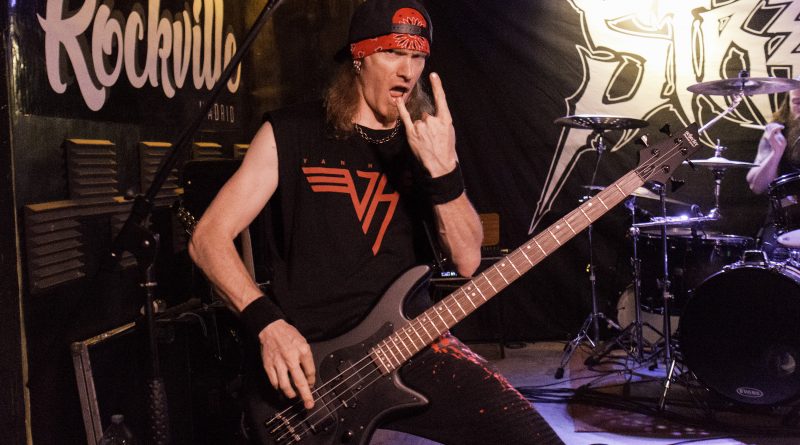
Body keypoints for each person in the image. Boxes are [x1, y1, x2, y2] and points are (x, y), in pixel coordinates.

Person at [189, 1, 563, 444]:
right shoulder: (290, 132)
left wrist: (444, 172)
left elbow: (466, 261)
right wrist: (267, 324)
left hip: (412, 345)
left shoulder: (425, 142)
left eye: (418, 57)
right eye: (393, 53)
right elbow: (208, 238)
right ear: (359, 57)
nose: (408, 71)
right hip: (315, 360)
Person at [746, 83, 800, 257]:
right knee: (773, 253)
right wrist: (776, 153)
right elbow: (757, 186)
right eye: (798, 103)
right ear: (788, 104)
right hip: (784, 222)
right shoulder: (777, 132)